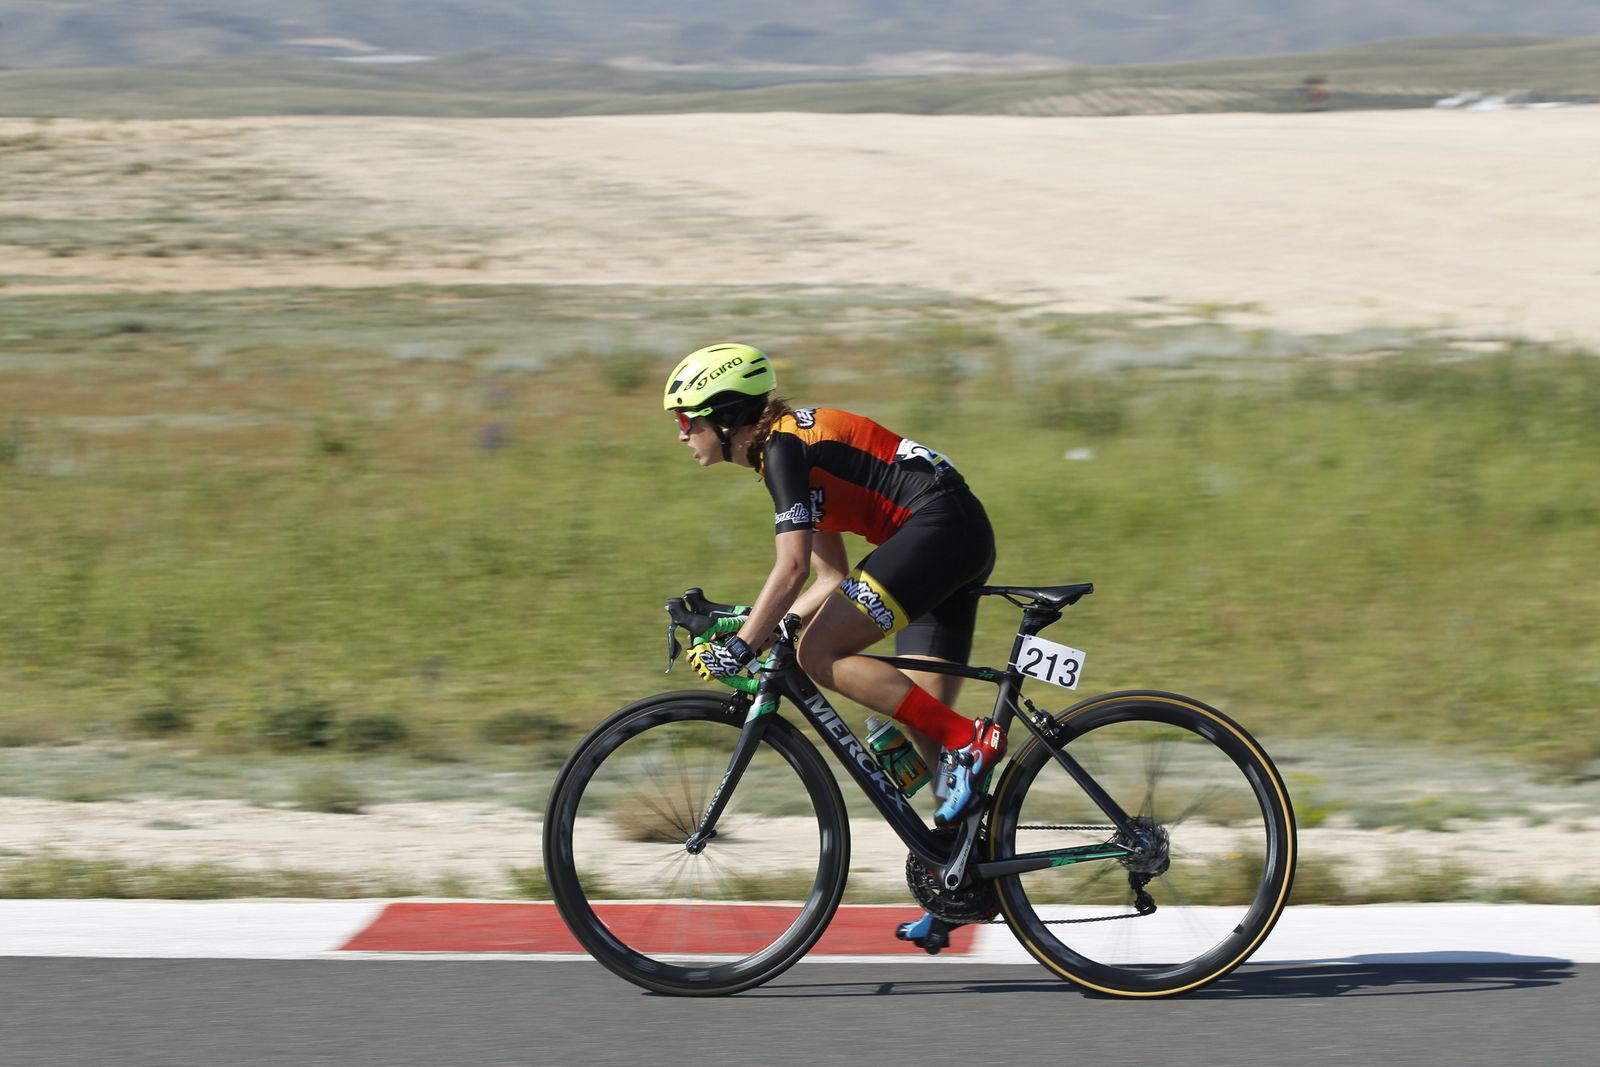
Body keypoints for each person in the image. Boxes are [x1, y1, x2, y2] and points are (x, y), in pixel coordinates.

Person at [662, 341, 1003, 836]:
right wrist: (765, 626)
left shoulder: (783, 448)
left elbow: (791, 567)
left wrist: (741, 647)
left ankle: (970, 739)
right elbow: (830, 578)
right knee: (922, 718)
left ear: (726, 418)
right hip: (950, 536)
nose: (681, 435)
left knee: (818, 654)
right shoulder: (787, 448)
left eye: (686, 420)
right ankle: (965, 866)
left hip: (938, 531)